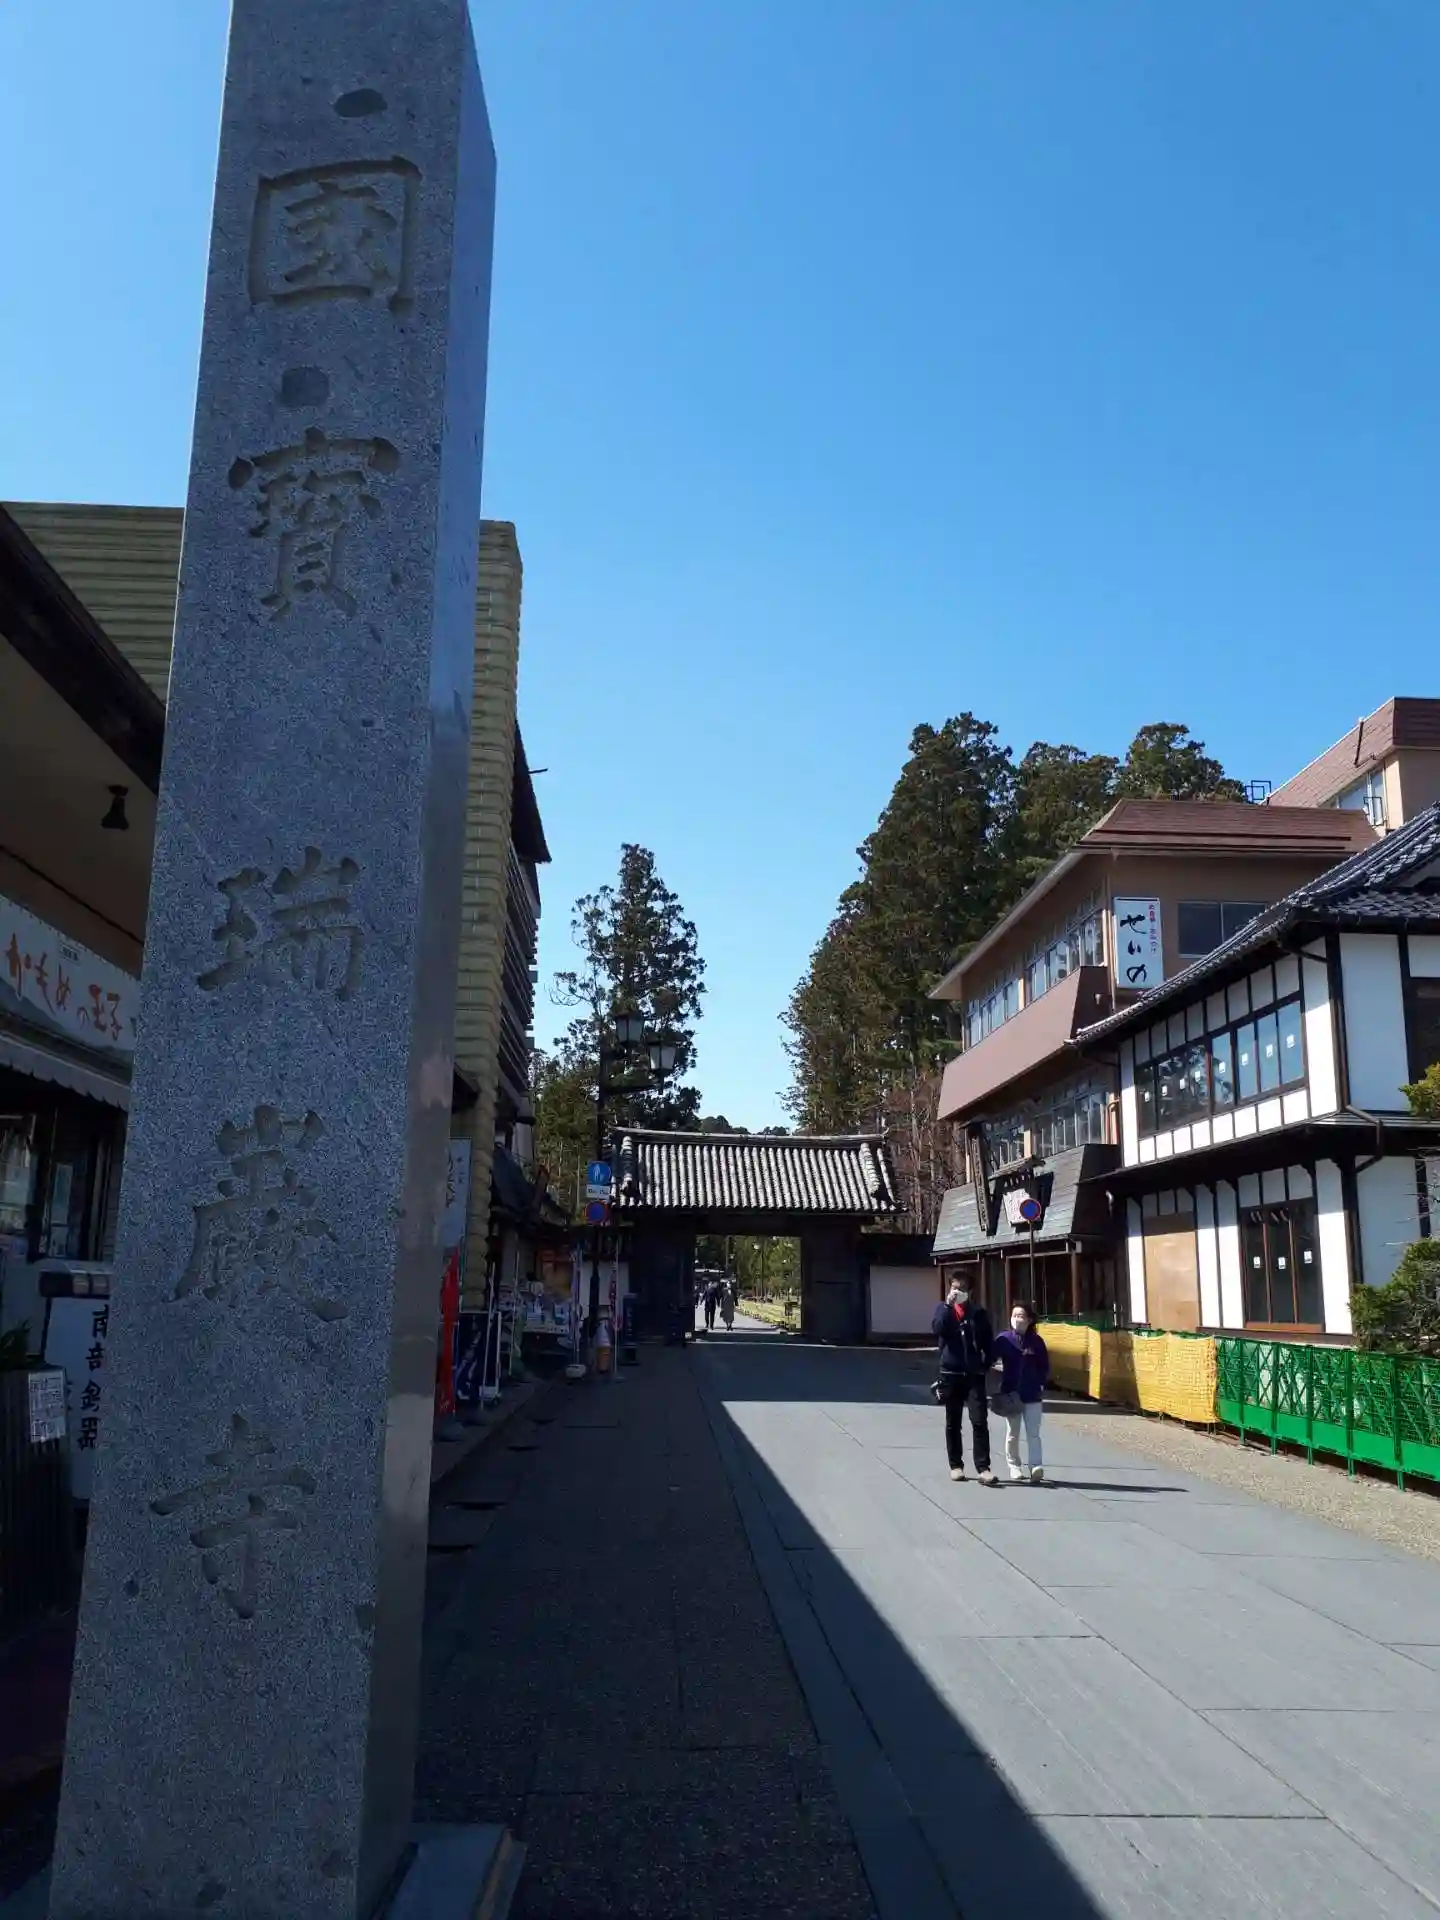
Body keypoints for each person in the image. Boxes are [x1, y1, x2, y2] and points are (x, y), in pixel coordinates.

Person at [931, 1280, 997, 1485]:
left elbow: (988, 1341)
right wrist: (947, 1306)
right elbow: (937, 1329)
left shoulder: (978, 1313)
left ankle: (983, 1468)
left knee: (979, 1420)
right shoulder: (944, 1310)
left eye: (962, 1289)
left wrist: (986, 1363)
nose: (957, 1292)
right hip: (950, 1373)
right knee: (953, 1422)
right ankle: (956, 1466)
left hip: (974, 1374)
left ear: (970, 1292)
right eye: (954, 1288)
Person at [993, 1301, 1049, 1483]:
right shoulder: (1004, 1339)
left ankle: (1036, 1466)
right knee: (1013, 1433)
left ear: (1029, 1320)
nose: (1017, 1319)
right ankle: (1014, 1466)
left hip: (1032, 1393)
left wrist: (1041, 1384)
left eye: (1021, 1316)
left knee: (1033, 1433)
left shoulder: (1037, 1342)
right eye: (1014, 1315)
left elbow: (1044, 1365)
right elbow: (990, 1357)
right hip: (1011, 1393)